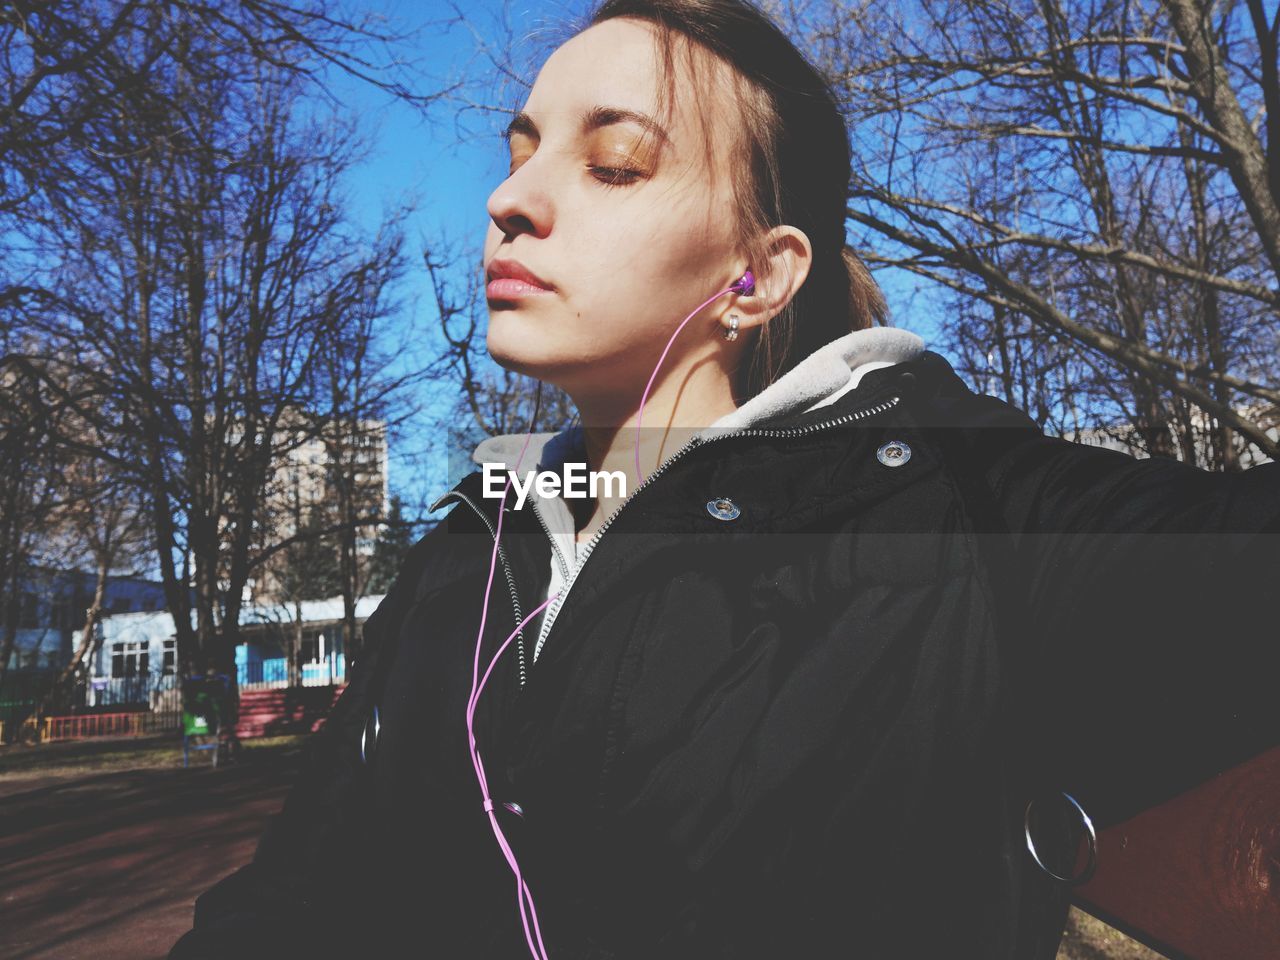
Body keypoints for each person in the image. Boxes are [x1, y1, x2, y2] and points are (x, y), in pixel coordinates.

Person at [168, 1, 1280, 957]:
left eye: (613, 165)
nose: (508, 202)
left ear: (755, 276)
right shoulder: (472, 547)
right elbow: (294, 897)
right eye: (519, 154)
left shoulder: (970, 507)